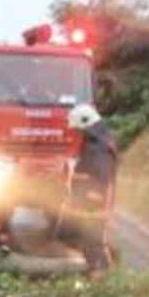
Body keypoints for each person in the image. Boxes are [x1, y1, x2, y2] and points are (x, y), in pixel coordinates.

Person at [58, 104, 118, 279]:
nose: (77, 133)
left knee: (93, 245)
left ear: (85, 123)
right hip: (83, 202)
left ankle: (100, 288)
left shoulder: (99, 148)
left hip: (92, 206)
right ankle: (87, 273)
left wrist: (90, 203)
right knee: (69, 234)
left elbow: (100, 180)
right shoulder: (95, 142)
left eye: (78, 129)